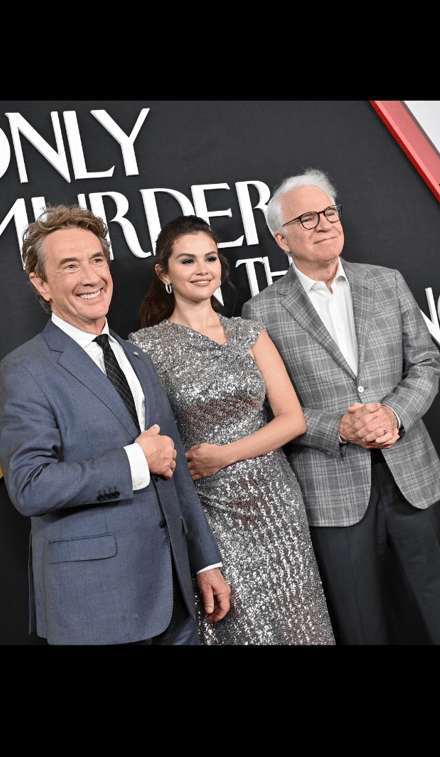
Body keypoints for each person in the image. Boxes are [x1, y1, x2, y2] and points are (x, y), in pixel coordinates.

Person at [242, 169, 440, 645]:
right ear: (281, 238)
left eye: (330, 212)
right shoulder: (260, 312)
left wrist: (393, 414)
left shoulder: (386, 283)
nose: (324, 224)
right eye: (307, 218)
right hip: (332, 492)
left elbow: (426, 362)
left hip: (413, 479)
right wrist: (338, 429)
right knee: (361, 628)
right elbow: (269, 410)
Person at [0, 204, 229, 645]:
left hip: (175, 596)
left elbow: (174, 465)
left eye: (97, 260)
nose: (91, 276)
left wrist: (204, 561)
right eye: (69, 266)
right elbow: (30, 486)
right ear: (40, 284)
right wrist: (134, 462)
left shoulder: (135, 355)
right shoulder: (24, 370)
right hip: (96, 603)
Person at [129, 215, 335, 645]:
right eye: (188, 261)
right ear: (164, 273)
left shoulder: (249, 332)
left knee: (300, 623)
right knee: (237, 626)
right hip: (210, 513)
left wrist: (225, 454)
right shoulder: (143, 347)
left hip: (276, 503)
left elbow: (292, 420)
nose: (203, 269)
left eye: (211, 258)